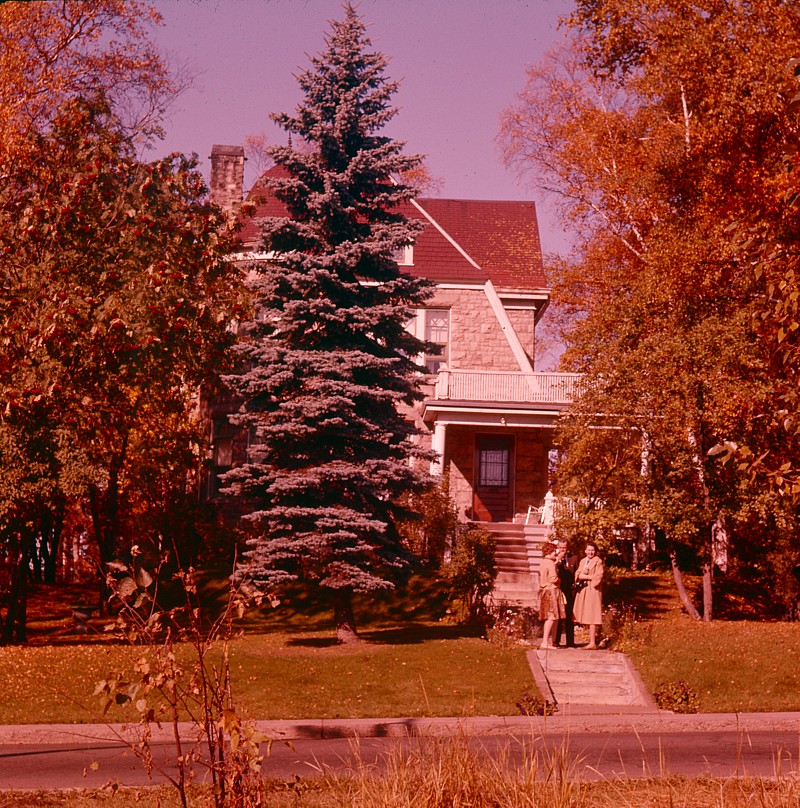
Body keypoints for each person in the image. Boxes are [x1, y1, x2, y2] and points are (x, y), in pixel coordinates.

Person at [573, 541, 604, 650]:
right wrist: (579, 575)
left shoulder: (598, 562)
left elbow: (599, 576)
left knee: (593, 614)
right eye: (588, 550)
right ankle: (590, 641)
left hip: (593, 590)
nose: (590, 552)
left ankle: (592, 642)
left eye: (592, 550)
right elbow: (577, 573)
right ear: (585, 551)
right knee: (584, 613)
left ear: (595, 551)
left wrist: (586, 576)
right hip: (583, 590)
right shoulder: (582, 561)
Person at [538, 541, 565, 650]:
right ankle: (545, 641)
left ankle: (551, 641)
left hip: (545, 590)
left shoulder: (544, 562)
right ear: (549, 552)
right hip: (551, 590)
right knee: (552, 617)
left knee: (552, 617)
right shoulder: (549, 563)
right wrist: (559, 580)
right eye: (554, 551)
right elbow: (553, 578)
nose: (556, 553)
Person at [555, 539, 578, 647]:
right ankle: (556, 640)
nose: (562, 550)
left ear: (567, 548)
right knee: (559, 616)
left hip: (570, 591)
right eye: (560, 547)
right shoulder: (555, 558)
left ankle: (570, 641)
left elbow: (577, 573)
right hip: (559, 589)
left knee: (569, 616)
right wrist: (558, 559)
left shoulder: (573, 558)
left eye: (564, 548)